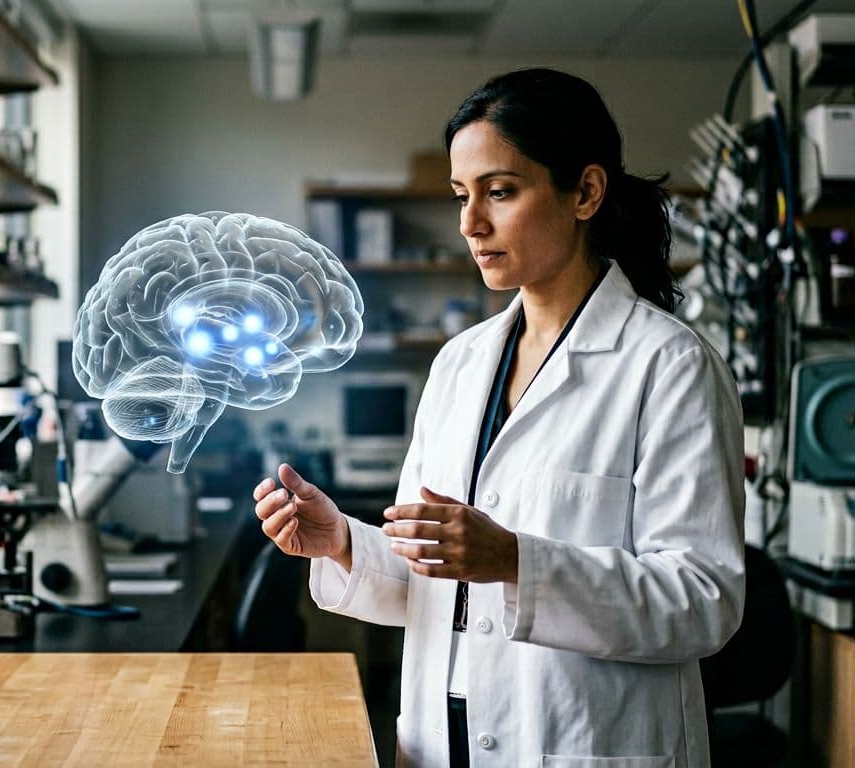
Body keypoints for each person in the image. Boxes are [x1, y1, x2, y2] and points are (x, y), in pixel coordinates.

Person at [253, 68, 744, 767]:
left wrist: (516, 561)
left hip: (584, 743)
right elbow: (439, 581)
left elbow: (703, 602)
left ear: (586, 192)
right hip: (442, 741)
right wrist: (344, 543)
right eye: (462, 195)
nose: (470, 223)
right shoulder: (460, 364)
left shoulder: (669, 366)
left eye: (500, 192)